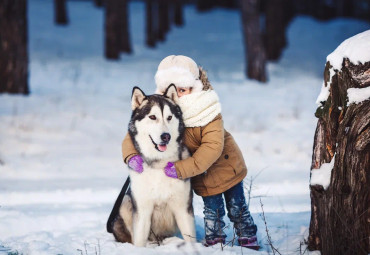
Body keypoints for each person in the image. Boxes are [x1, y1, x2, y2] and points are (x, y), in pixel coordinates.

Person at [122, 55, 259, 250]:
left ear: (193, 87)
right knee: (213, 211)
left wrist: (181, 168)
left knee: (237, 208)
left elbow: (212, 148)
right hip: (202, 174)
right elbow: (133, 135)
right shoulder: (165, 109)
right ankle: (215, 241)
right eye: (173, 89)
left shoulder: (207, 110)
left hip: (226, 166)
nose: (179, 94)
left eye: (183, 89)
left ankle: (248, 237)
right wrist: (131, 155)